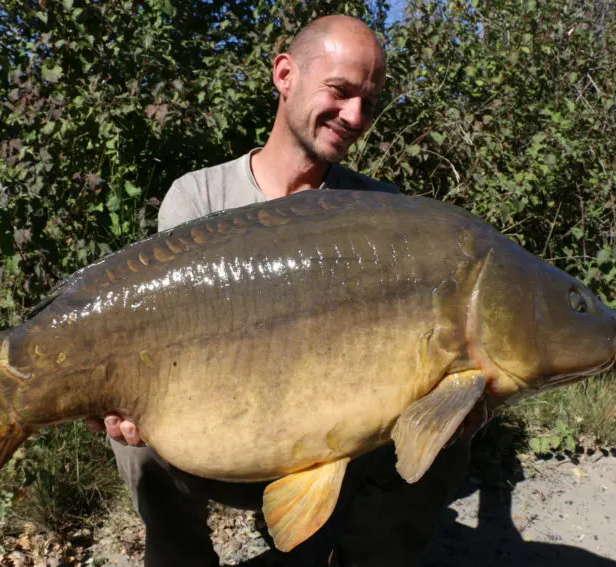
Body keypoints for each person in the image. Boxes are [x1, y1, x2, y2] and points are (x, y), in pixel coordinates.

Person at [85, 14, 488, 567]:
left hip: (339, 441)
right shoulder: (198, 197)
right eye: (340, 92)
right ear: (284, 75)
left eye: (368, 103)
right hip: (228, 434)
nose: (355, 117)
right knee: (138, 441)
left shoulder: (381, 212)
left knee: (444, 444)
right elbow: (163, 345)